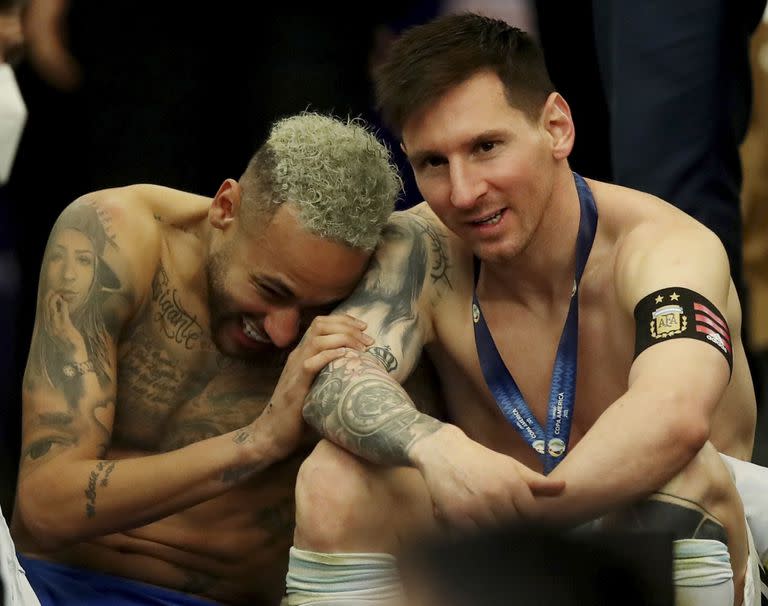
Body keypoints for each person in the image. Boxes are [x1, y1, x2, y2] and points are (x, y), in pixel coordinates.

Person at [283, 14, 768, 606]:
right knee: (334, 478)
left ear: (557, 127)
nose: (463, 192)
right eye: (433, 163)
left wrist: (533, 534)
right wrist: (436, 447)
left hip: (652, 547)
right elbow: (332, 373)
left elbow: (675, 415)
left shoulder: (665, 246)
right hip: (494, 543)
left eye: (486, 147)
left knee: (681, 476)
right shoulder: (420, 244)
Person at [2, 111, 409, 606]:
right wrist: (257, 443)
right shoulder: (116, 238)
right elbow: (46, 506)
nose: (284, 333)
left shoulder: (377, 296)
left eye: (315, 309)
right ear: (225, 208)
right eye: (270, 289)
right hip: (46, 583)